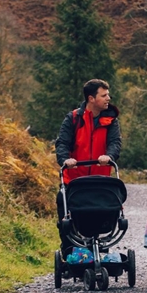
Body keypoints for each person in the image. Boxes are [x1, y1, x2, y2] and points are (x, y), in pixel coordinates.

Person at [55, 79, 122, 257]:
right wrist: (66, 159)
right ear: (91, 98)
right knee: (65, 211)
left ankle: (99, 247)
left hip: (101, 181)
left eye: (108, 94)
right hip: (76, 180)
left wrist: (109, 156)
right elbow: (62, 143)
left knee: (103, 214)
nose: (109, 98)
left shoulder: (110, 121)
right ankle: (69, 251)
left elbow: (115, 143)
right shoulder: (73, 118)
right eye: (104, 95)